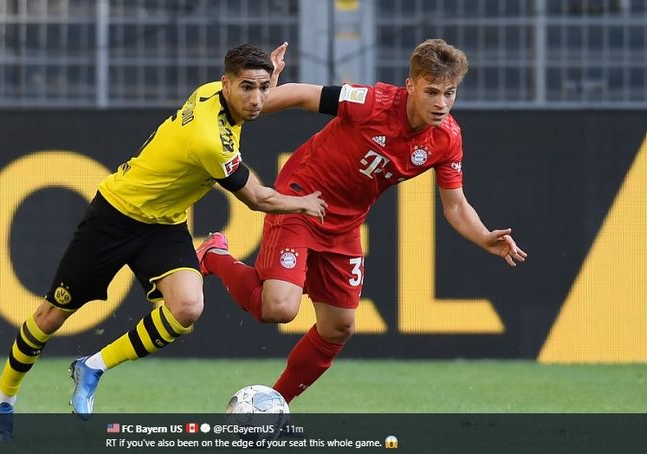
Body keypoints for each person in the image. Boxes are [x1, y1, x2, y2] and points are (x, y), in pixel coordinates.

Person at [0, 43, 327, 441]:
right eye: (247, 88)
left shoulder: (210, 94)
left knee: (187, 307)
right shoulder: (209, 140)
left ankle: (92, 366)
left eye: (264, 88)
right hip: (114, 216)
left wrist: (271, 80)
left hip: (163, 226)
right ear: (226, 84)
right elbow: (258, 199)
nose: (256, 99)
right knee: (50, 317)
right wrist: (303, 203)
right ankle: (3, 398)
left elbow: (249, 107)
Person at [196, 39, 528, 405]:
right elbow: (305, 95)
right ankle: (213, 255)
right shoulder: (372, 103)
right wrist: (255, 100)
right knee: (278, 309)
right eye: (431, 91)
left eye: (449, 93)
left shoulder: (447, 139)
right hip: (303, 199)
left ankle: (274, 407)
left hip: (345, 224)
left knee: (339, 327)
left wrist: (483, 237)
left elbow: (456, 205)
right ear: (410, 85)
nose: (441, 103)